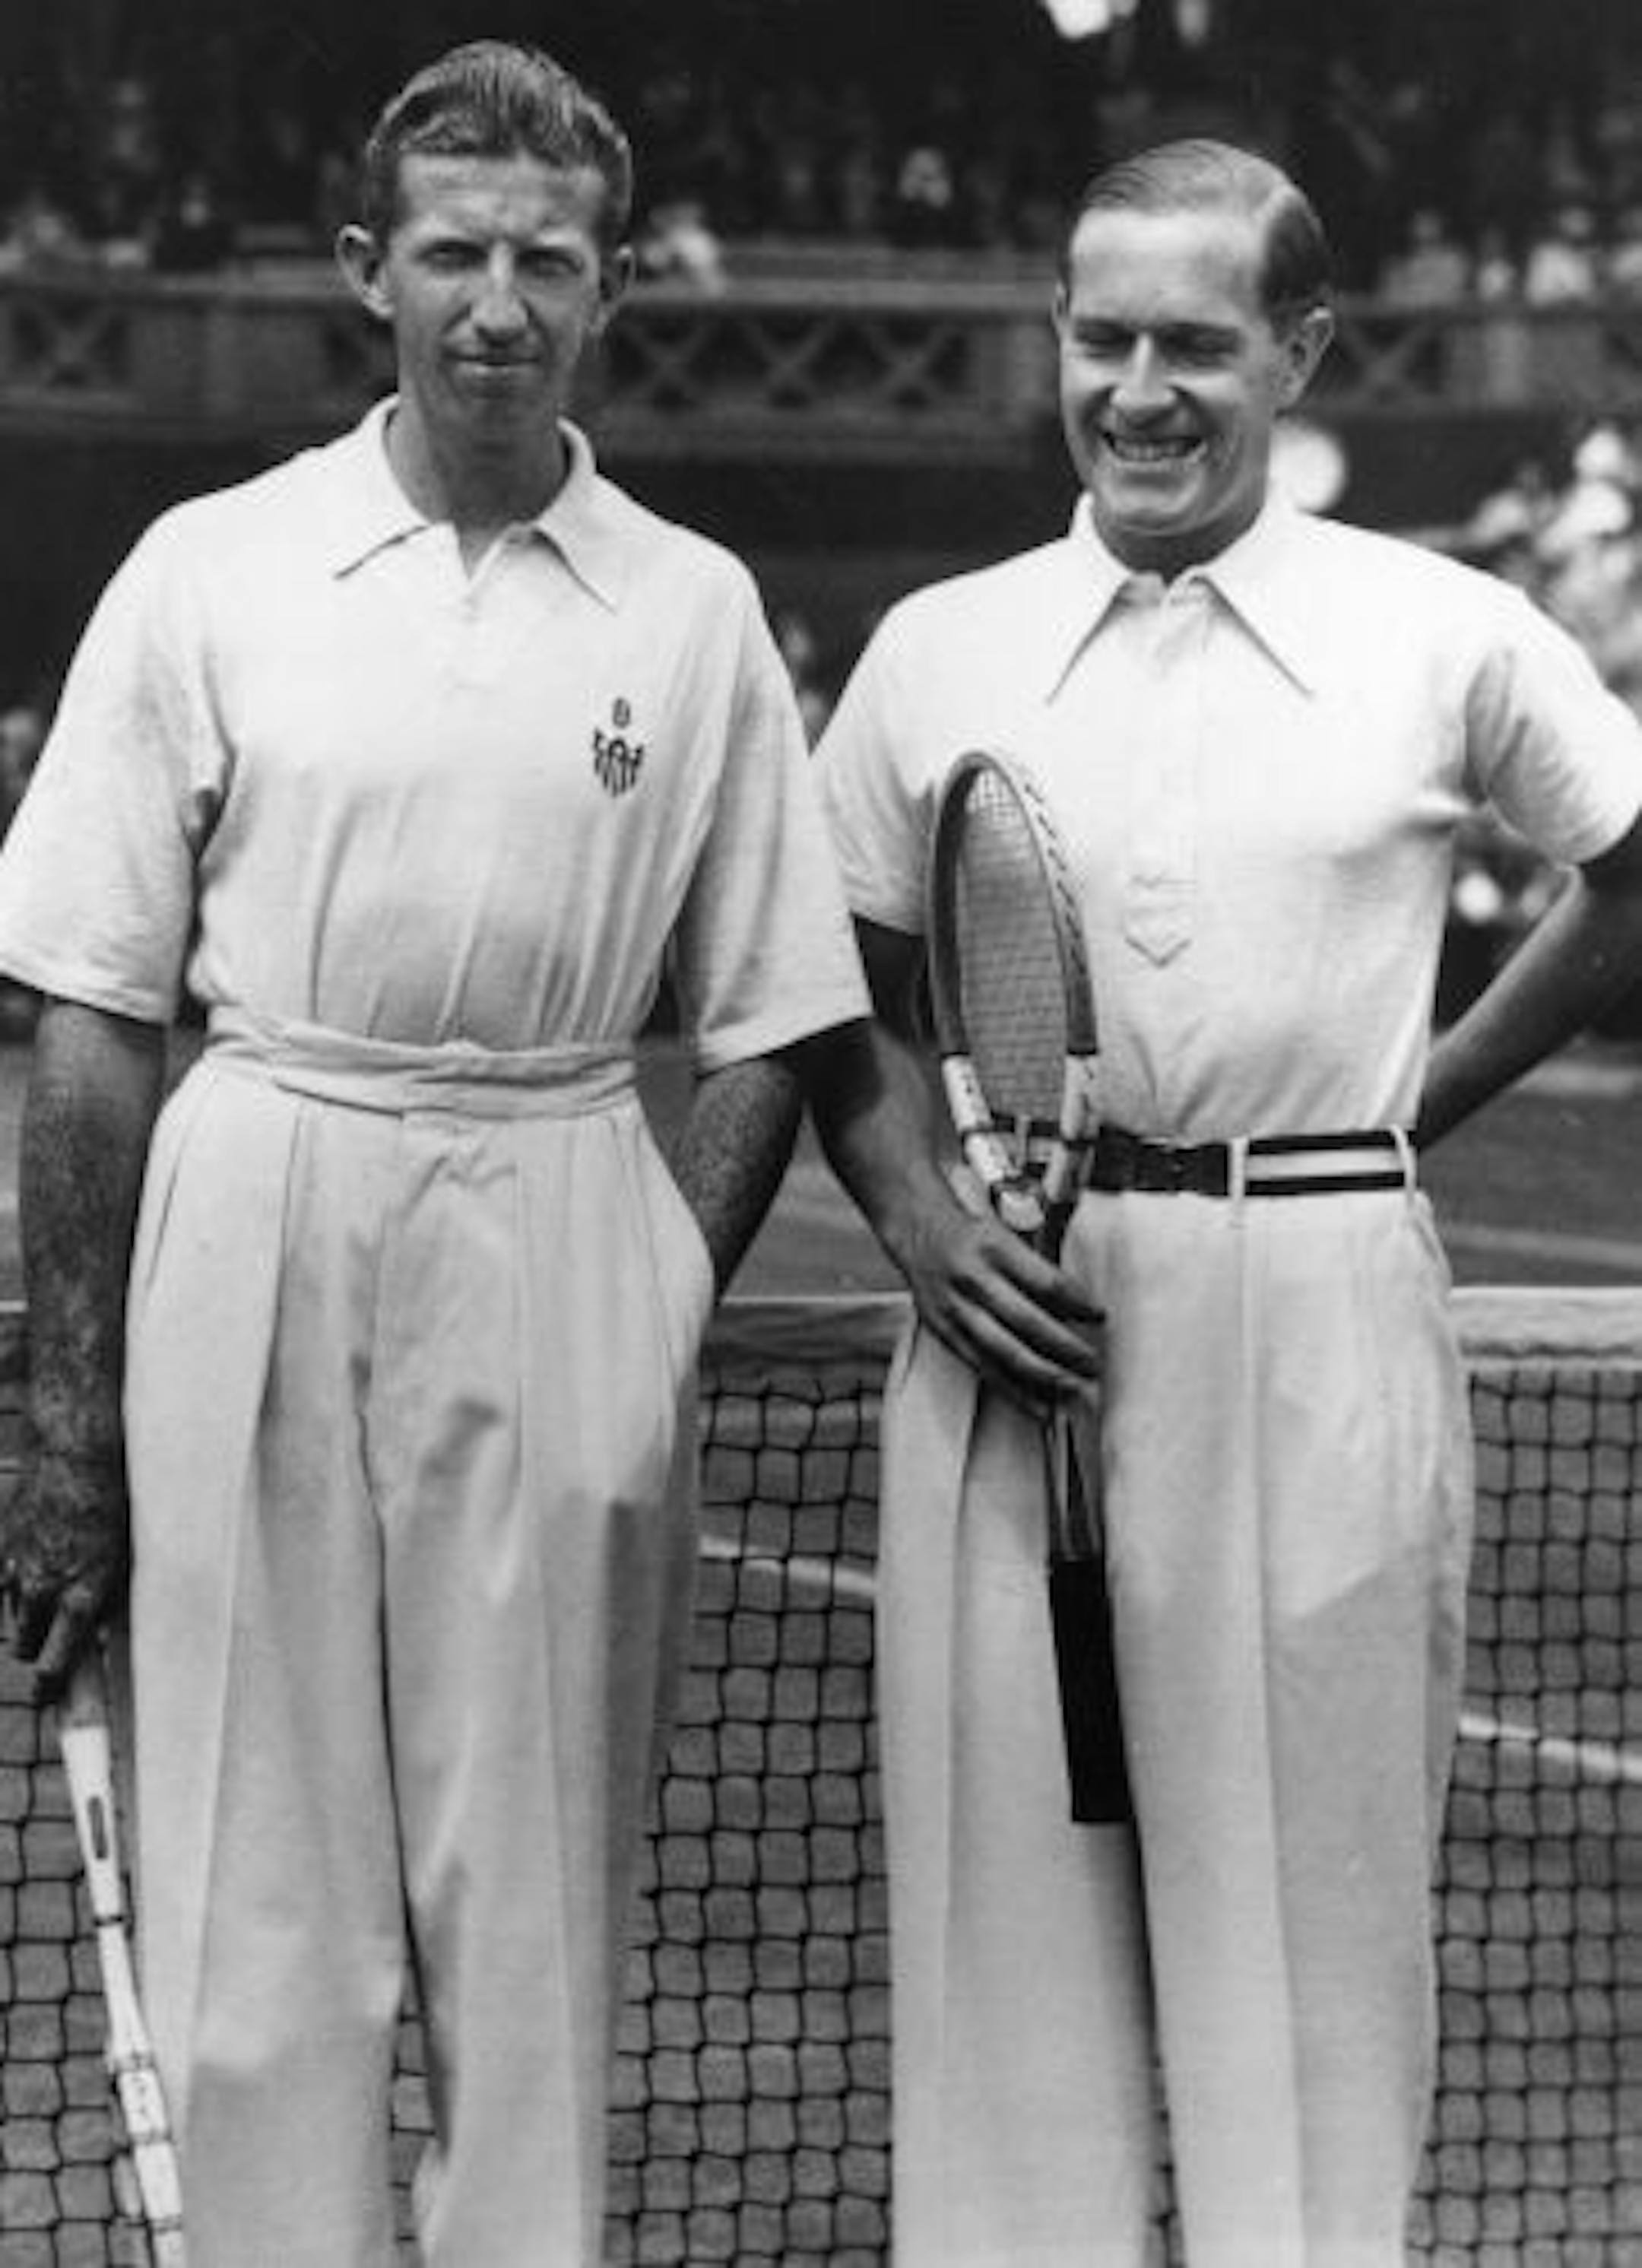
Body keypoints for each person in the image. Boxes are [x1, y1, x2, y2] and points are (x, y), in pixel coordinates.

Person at [0, 42, 867, 2268]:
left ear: (612, 291)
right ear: (365, 270)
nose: (501, 304)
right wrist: (66, 1425)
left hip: (566, 1196)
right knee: (257, 1923)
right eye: (457, 254)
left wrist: (654, 1292)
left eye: (549, 263)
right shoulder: (208, 569)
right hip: (261, 1186)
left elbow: (770, 1014)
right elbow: (91, 1014)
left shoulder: (692, 607)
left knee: (532, 1915)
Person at [806, 138, 1642, 2265]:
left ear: (1301, 352)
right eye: (1104, 338)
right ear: (1055, 341)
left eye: (1196, 341)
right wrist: (914, 1209)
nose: (1142, 389)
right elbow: (830, 986)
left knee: (1312, 1984)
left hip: (1321, 1318)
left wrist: (1413, 1105)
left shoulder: (1446, 630)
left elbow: (1630, 873)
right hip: (1015, 1331)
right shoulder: (936, 648)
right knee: (1008, 1965)